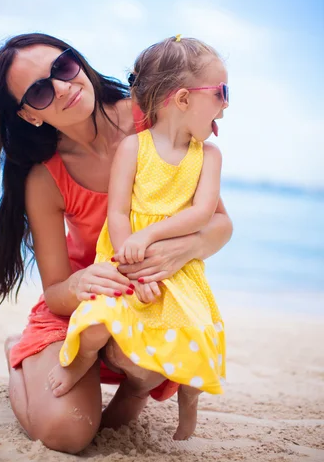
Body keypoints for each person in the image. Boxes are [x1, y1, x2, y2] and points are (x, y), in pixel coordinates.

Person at [0, 33, 233, 454]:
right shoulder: (45, 178)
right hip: (84, 310)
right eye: (41, 91)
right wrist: (82, 284)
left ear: (78, 62)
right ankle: (20, 357)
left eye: (62, 67)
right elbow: (56, 292)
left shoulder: (150, 118)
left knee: (144, 363)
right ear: (29, 114)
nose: (63, 87)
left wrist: (183, 249)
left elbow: (220, 223)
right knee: (67, 434)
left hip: (145, 298)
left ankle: (136, 388)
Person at [48, 35, 229, 440]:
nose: (226, 103)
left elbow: (202, 214)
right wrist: (132, 263)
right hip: (125, 259)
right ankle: (81, 359)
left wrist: (151, 236)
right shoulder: (133, 147)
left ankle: (189, 400)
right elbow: (117, 211)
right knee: (97, 323)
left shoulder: (209, 156)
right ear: (182, 99)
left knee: (198, 331)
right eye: (220, 92)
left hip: (175, 267)